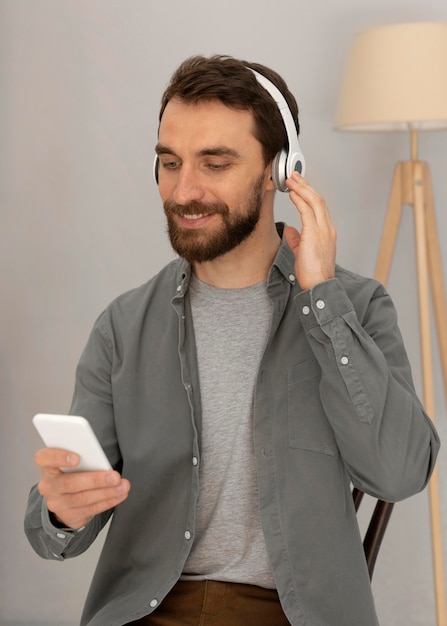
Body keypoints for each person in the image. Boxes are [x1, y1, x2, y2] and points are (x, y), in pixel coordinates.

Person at [25, 55, 440, 626]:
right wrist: (63, 511)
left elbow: (400, 473)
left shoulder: (356, 309)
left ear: (280, 169)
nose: (184, 190)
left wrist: (321, 300)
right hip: (144, 611)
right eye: (169, 163)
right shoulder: (122, 326)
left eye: (215, 163)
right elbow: (55, 536)